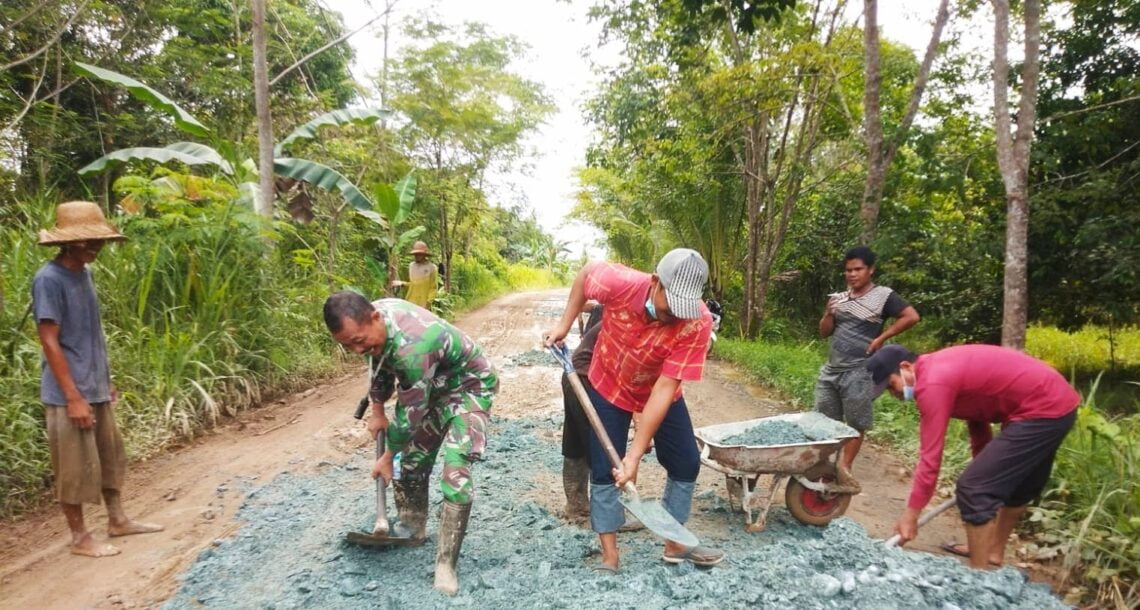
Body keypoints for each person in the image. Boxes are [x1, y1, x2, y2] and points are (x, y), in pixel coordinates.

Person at [544, 248, 723, 572]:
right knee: (604, 469)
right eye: (671, 307)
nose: (674, 317)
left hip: (657, 388)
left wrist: (635, 454)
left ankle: (675, 542)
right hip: (609, 383)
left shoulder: (697, 322)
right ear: (656, 282)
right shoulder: (619, 282)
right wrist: (563, 324)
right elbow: (585, 275)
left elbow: (665, 387)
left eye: (684, 310)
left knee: (685, 461)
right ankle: (610, 556)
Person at [323, 291, 498, 595]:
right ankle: (412, 525)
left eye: (359, 341)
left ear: (375, 317)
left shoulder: (414, 346)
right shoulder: (373, 326)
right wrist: (376, 409)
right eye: (348, 344)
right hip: (434, 386)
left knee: (454, 472)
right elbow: (378, 366)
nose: (356, 349)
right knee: (413, 461)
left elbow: (409, 416)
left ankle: (446, 563)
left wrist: (388, 455)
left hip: (469, 388)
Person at [866, 344, 1080, 570]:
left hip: (1042, 408)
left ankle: (979, 580)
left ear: (906, 367)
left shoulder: (933, 383)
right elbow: (978, 417)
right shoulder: (938, 370)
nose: (894, 393)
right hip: (1056, 402)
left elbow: (930, 459)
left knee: (974, 489)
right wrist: (986, 466)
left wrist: (910, 516)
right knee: (1018, 487)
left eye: (891, 385)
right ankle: (992, 552)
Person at [32, 200, 164, 558]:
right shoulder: (49, 279)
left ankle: (118, 520)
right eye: (87, 242)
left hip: (96, 386)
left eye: (99, 241)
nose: (96, 247)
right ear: (67, 243)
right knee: (73, 467)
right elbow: (49, 339)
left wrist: (104, 381)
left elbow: (90, 334)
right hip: (67, 393)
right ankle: (79, 537)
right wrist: (73, 395)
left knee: (110, 455)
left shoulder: (84, 274)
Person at [815, 246, 919, 490]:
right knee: (824, 420)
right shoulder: (838, 299)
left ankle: (845, 468)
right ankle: (824, 466)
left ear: (870, 270)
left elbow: (911, 316)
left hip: (860, 370)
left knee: (856, 422)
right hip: (832, 368)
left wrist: (882, 338)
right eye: (848, 270)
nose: (852, 274)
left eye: (858, 269)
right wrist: (829, 314)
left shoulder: (883, 296)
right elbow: (823, 332)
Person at [396, 241, 438, 310]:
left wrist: (428, 303)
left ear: (424, 255)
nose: (417, 256)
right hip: (410, 302)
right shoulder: (411, 266)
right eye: (415, 254)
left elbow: (433, 288)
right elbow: (413, 285)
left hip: (423, 304)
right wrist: (402, 283)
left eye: (419, 254)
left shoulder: (432, 268)